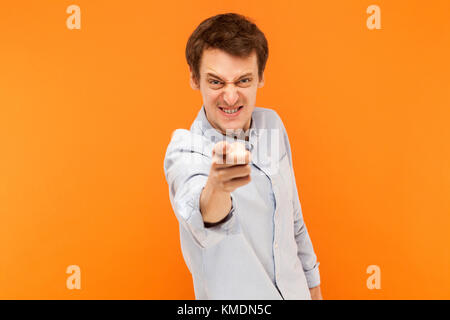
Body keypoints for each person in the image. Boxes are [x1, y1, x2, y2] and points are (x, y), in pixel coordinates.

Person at [164, 13, 322, 300]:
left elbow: (293, 220)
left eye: (243, 80)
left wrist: (314, 289)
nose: (231, 97)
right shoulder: (185, 150)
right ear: (193, 78)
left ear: (261, 77)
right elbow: (204, 216)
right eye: (216, 82)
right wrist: (217, 187)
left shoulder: (272, 123)